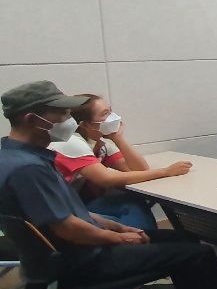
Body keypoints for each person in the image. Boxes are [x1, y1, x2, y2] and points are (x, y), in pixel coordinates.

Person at [0, 81, 217, 289]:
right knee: (199, 253)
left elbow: (69, 212)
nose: (69, 119)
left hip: (68, 255)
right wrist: (117, 239)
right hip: (79, 264)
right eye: (62, 114)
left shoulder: (15, 157)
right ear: (32, 119)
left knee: (183, 238)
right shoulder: (29, 169)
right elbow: (67, 228)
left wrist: (117, 227)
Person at [52, 94, 191, 232]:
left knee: (133, 203)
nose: (112, 117)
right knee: (128, 220)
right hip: (63, 212)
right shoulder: (72, 142)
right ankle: (144, 241)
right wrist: (166, 172)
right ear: (85, 125)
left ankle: (146, 239)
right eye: (105, 114)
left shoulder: (100, 144)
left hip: (80, 204)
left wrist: (117, 138)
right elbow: (107, 179)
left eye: (110, 111)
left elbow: (140, 169)